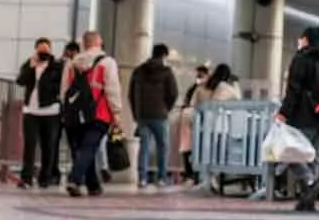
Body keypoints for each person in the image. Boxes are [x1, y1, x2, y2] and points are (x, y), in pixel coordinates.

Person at [275, 26, 319, 212]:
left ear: (306, 39)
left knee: (292, 152)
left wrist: (284, 112)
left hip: (304, 113)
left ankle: (310, 182)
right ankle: (308, 200)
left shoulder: (302, 58)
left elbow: (294, 89)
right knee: (313, 155)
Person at [61, 31, 128, 197]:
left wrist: (66, 110)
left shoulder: (72, 63)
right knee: (89, 147)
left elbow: (64, 89)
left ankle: (93, 186)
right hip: (99, 113)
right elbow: (112, 89)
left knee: (85, 148)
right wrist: (117, 114)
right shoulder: (107, 62)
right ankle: (75, 179)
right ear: (99, 42)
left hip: (75, 113)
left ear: (84, 44)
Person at [129, 43, 180, 189]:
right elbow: (173, 93)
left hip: (142, 115)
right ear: (164, 55)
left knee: (143, 147)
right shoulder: (166, 72)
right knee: (162, 146)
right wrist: (165, 109)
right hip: (159, 115)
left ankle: (142, 178)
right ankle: (162, 178)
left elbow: (131, 95)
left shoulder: (138, 71)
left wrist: (136, 114)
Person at [15, 37, 64, 189]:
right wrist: (32, 66)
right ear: (36, 50)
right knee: (29, 145)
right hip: (31, 110)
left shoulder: (57, 67)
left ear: (50, 50)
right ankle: (26, 178)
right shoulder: (29, 64)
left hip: (50, 111)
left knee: (48, 145)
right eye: (40, 50)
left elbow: (61, 85)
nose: (43, 53)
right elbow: (20, 81)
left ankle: (45, 178)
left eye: (46, 50)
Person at [175, 62, 212, 183]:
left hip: (198, 123)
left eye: (201, 75)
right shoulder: (194, 88)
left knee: (191, 148)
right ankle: (190, 173)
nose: (199, 78)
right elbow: (189, 103)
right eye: (198, 75)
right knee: (188, 148)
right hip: (192, 123)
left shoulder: (206, 88)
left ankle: (193, 173)